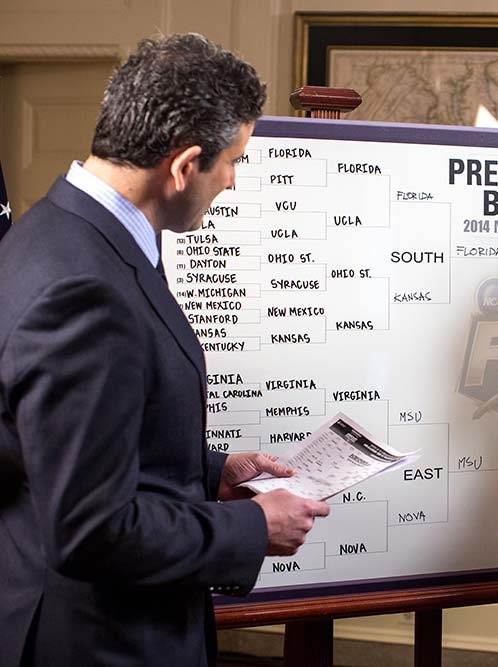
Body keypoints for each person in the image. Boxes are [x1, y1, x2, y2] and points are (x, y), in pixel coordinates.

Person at [0, 34, 330, 667]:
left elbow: (46, 446)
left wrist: (209, 472)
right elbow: (90, 530)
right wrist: (253, 529)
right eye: (233, 161)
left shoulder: (50, 228)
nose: (232, 183)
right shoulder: (85, 287)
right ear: (183, 166)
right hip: (100, 641)